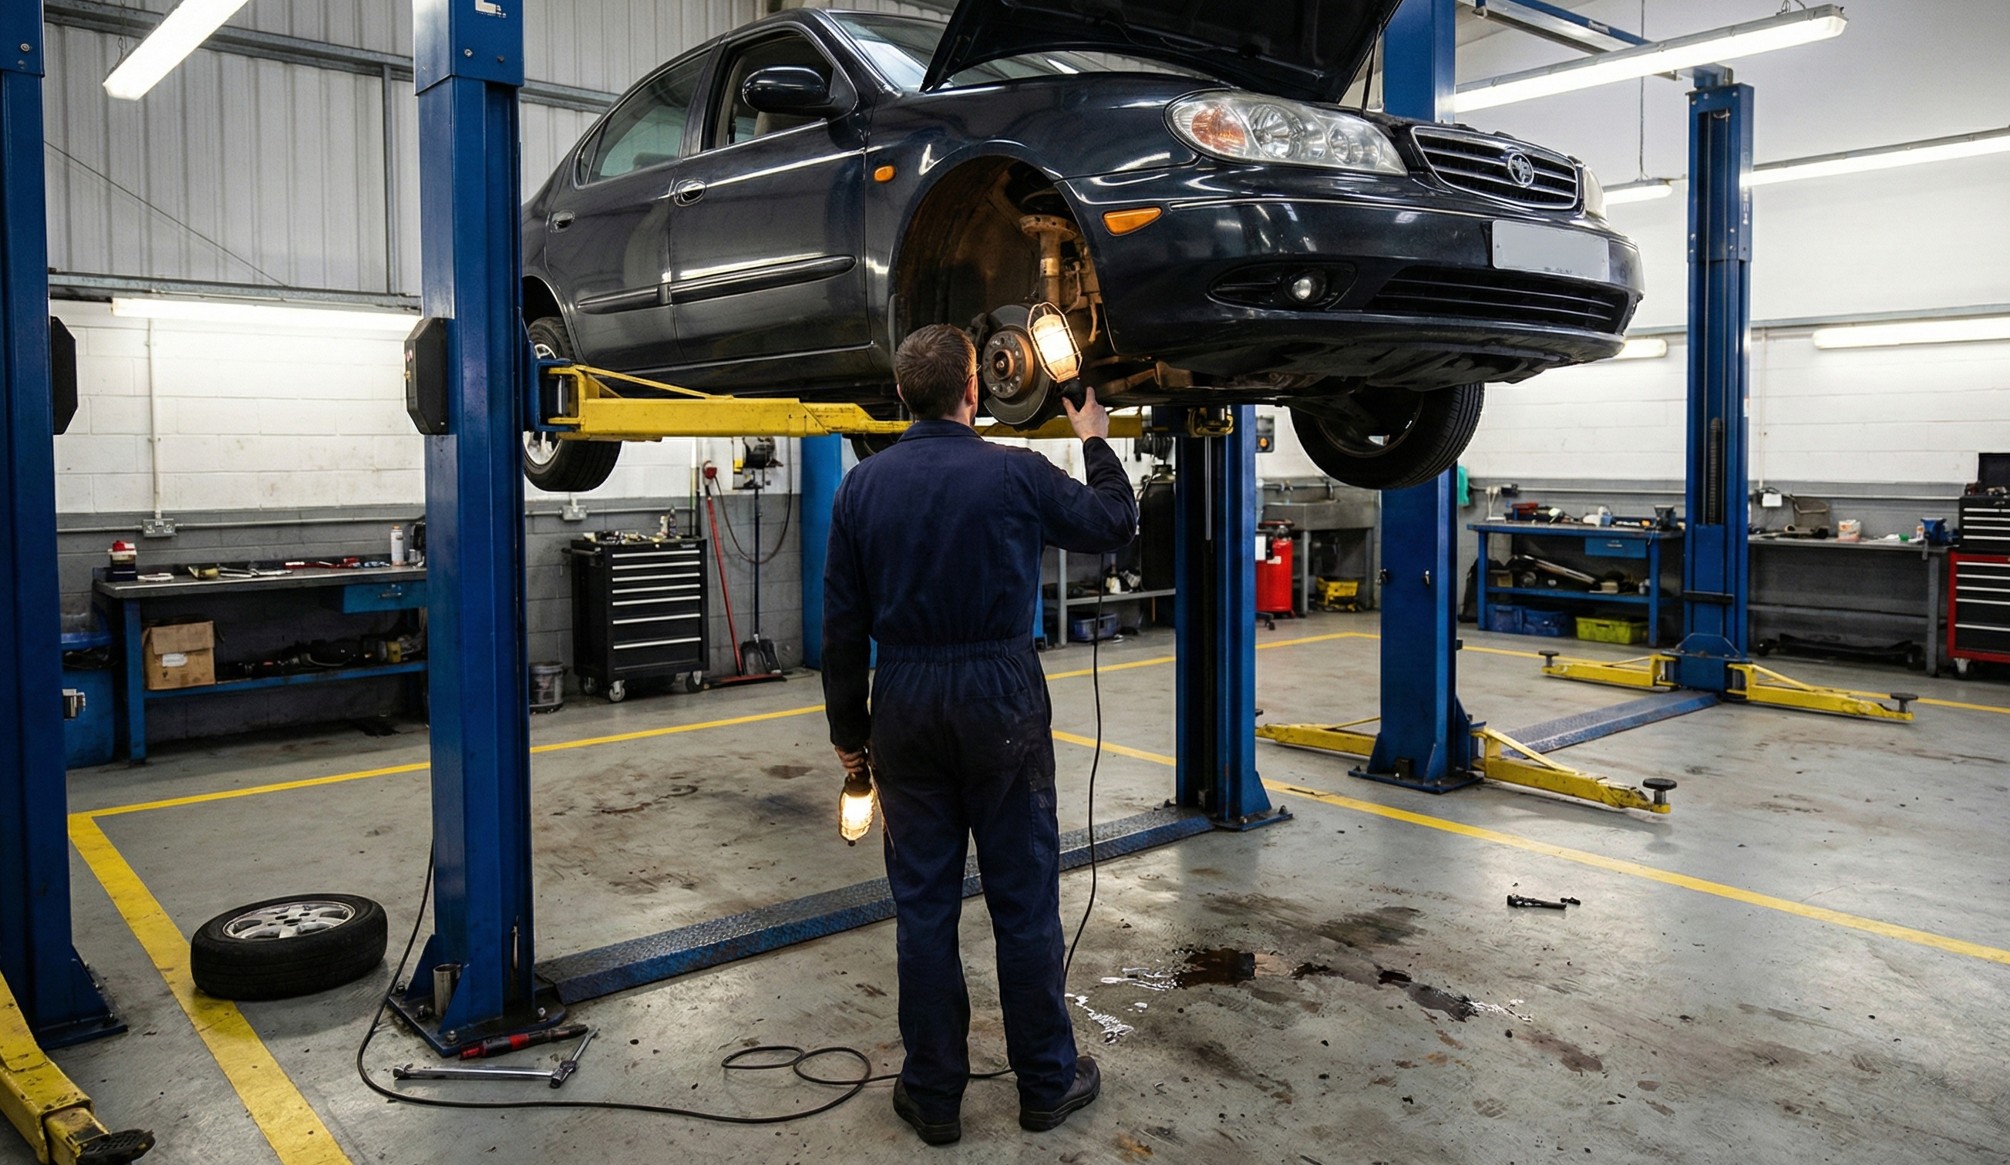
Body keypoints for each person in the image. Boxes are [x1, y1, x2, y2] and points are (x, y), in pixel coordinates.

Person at [821, 323, 1138, 1145]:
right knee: (1024, 899)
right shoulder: (1016, 472)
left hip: (906, 701)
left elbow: (842, 630)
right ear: (975, 390)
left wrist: (851, 742)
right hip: (1000, 699)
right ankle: (1045, 1081)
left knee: (923, 906)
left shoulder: (861, 490)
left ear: (901, 395)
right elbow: (1112, 522)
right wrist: (1095, 441)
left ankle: (932, 1094)